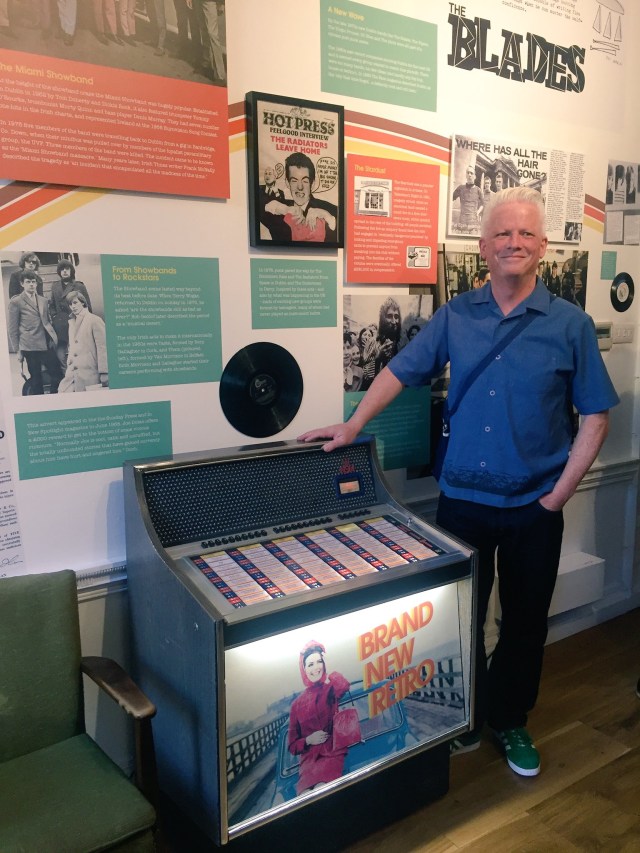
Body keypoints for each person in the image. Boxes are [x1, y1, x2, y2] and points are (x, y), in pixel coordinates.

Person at [299, 186, 618, 778]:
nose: (513, 243)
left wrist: (558, 496)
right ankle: (464, 718)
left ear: (543, 247)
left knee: (525, 621)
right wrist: (353, 425)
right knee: (461, 620)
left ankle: (510, 717)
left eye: (525, 234)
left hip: (533, 507)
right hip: (463, 503)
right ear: (483, 246)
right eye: (502, 233)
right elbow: (400, 370)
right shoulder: (456, 315)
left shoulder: (569, 325)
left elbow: (595, 415)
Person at [287, 640, 350, 796]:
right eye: (310, 664)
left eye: (319, 662)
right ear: (304, 669)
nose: (316, 668)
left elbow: (344, 686)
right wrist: (309, 740)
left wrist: (329, 669)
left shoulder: (330, 689)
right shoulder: (296, 705)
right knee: (304, 797)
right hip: (309, 761)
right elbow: (292, 746)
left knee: (322, 790)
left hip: (332, 751)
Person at [260, 152, 337, 243]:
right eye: (294, 181)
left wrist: (326, 216)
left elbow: (343, 232)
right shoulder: (280, 208)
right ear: (288, 183)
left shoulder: (329, 209)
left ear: (312, 184)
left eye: (305, 181)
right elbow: (255, 202)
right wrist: (285, 209)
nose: (300, 187)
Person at [8, 270, 62, 394]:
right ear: (22, 284)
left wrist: (52, 337)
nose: (31, 284)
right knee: (36, 379)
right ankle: (39, 404)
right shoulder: (16, 302)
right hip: (29, 346)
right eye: (28, 282)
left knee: (57, 374)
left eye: (33, 282)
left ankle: (53, 397)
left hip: (45, 344)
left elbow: (47, 321)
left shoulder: (43, 300)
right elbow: (12, 329)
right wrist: (18, 351)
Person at [59, 292, 108, 392]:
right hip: (73, 374)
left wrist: (104, 372)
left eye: (75, 302)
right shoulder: (72, 322)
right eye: (70, 304)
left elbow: (103, 347)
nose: (73, 306)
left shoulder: (94, 320)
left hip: (90, 373)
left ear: (83, 303)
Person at [48, 260, 92, 371]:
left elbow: (87, 305)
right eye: (62, 269)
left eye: (67, 269)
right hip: (60, 325)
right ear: (59, 272)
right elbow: (52, 305)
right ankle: (65, 374)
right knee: (61, 353)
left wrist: (86, 322)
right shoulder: (55, 286)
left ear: (71, 271)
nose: (64, 271)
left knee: (78, 351)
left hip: (77, 323)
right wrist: (54, 317)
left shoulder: (79, 286)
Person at [452, 166, 483, 232]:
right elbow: (450, 198)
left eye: (471, 173)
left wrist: (477, 213)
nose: (469, 175)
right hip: (462, 222)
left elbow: (482, 204)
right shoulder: (460, 188)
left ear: (475, 176)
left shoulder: (478, 190)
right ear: (466, 175)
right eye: (468, 173)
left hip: (473, 223)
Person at [375, 297, 401, 374]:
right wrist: (378, 357)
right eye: (389, 316)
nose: (394, 321)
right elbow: (365, 374)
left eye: (396, 317)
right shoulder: (373, 342)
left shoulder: (403, 342)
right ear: (382, 318)